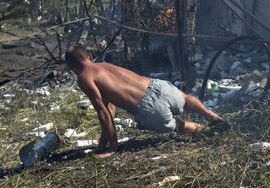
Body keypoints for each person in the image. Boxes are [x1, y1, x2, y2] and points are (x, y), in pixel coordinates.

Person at [64, 45, 225, 158]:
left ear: (72, 67)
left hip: (149, 108)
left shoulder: (84, 77)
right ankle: (211, 115)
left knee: (178, 126)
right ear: (89, 56)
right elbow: (110, 107)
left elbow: (103, 112)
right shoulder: (104, 65)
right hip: (158, 86)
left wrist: (113, 147)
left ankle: (203, 129)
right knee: (185, 99)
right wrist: (101, 144)